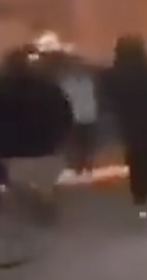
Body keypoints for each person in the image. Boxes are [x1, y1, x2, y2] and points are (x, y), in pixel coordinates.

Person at [103, 35, 147, 222]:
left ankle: (140, 199)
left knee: (136, 160)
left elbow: (109, 98)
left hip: (131, 125)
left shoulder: (115, 74)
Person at [0, 45, 73, 222]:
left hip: (10, 152)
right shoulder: (49, 87)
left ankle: (25, 200)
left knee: (16, 179)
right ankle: (44, 200)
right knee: (41, 179)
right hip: (46, 148)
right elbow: (65, 115)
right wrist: (59, 140)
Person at [58, 56, 99, 182]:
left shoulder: (87, 81)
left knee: (87, 145)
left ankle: (86, 169)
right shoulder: (67, 83)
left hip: (88, 117)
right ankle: (79, 169)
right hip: (76, 118)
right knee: (77, 146)